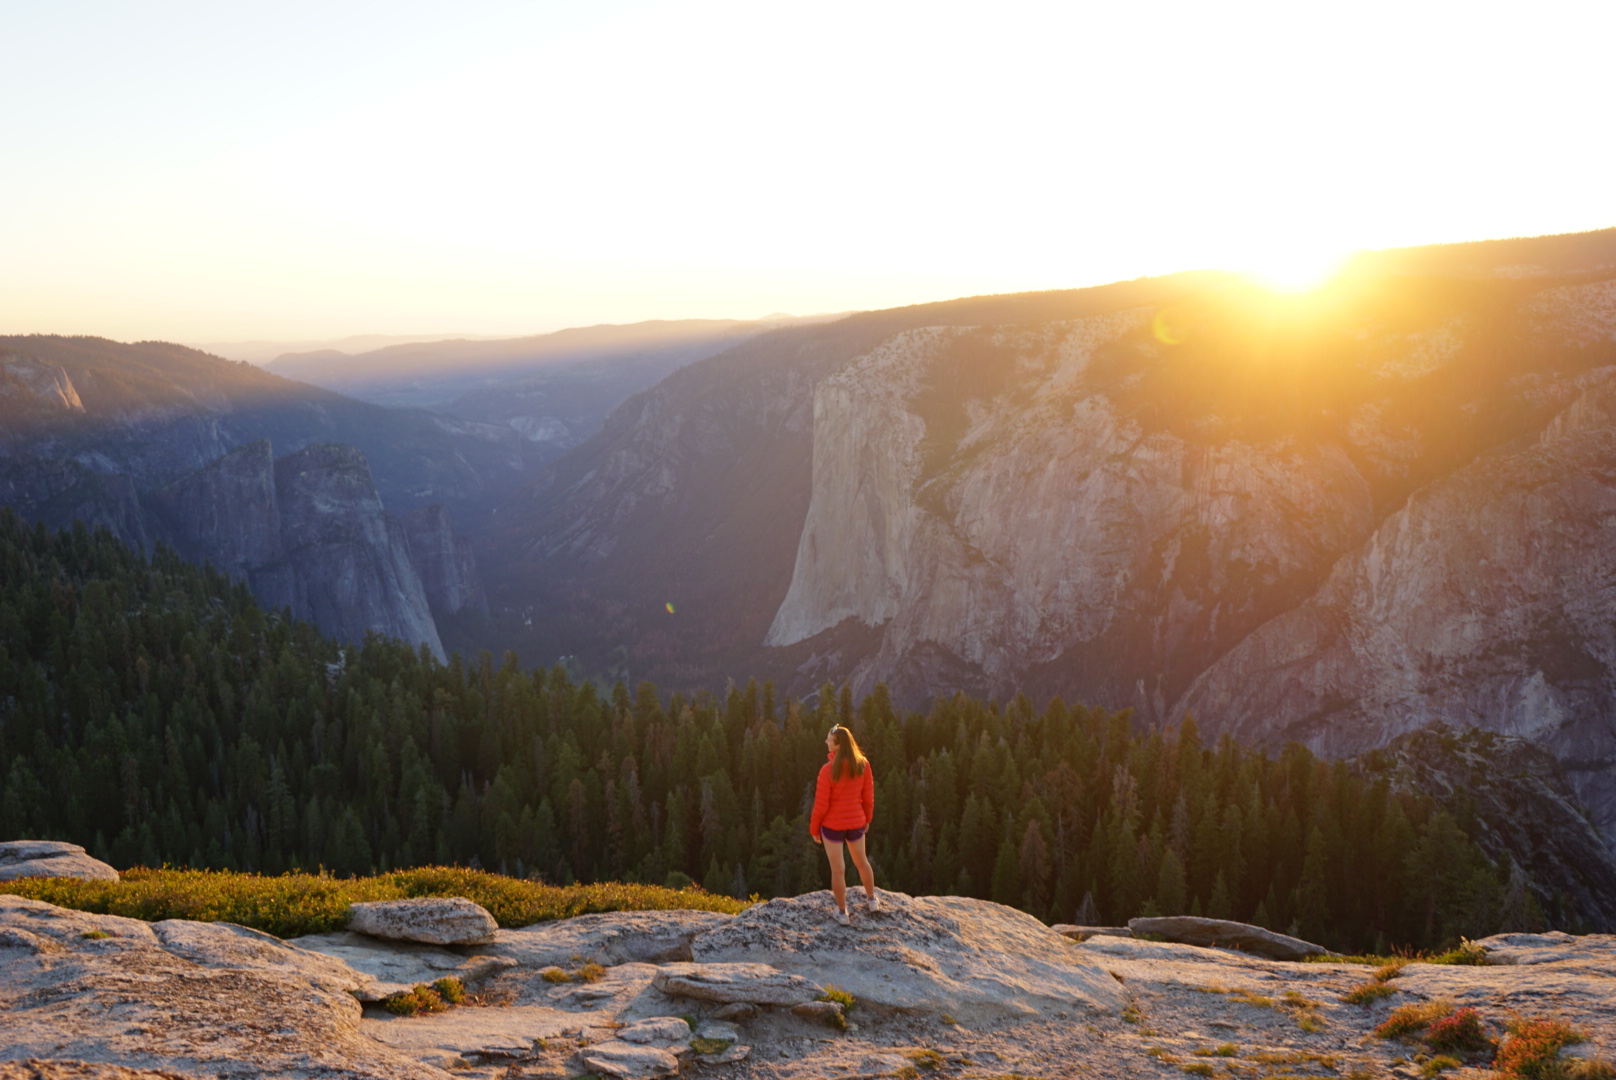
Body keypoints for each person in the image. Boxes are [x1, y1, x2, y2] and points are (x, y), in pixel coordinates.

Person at [810, 724, 879, 926]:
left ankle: (842, 913)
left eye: (829, 740)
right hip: (856, 822)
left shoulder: (827, 771)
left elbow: (821, 805)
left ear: (838, 746)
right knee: (862, 862)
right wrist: (867, 819)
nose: (826, 742)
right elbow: (868, 797)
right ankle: (872, 901)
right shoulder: (863, 765)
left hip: (832, 826)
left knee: (838, 871)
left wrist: (814, 829)